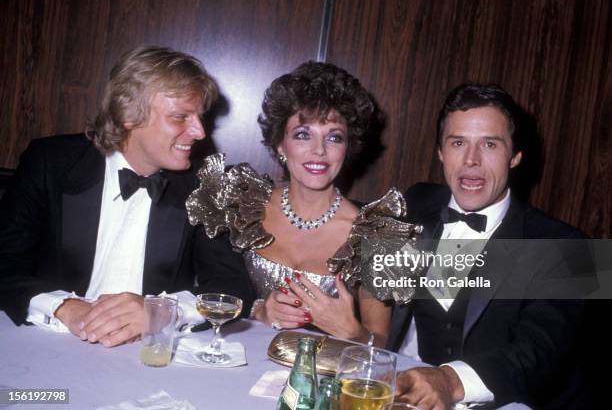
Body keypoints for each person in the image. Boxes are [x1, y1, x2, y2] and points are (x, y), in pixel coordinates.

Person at [0, 45, 254, 348]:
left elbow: (233, 287)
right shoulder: (51, 163)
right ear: (128, 116)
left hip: (149, 352)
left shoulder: (204, 184)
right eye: (180, 117)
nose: (200, 132)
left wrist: (159, 312)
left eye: (200, 116)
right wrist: (61, 306)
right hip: (49, 340)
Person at [387, 83, 593, 408]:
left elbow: (539, 356)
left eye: (490, 144)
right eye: (458, 143)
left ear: (515, 156)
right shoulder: (414, 201)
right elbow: (376, 297)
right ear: (440, 151)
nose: (471, 160)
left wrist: (450, 381)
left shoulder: (571, 247)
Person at [187, 61, 420, 346]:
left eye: (334, 137)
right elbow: (214, 291)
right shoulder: (241, 207)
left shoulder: (377, 235)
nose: (319, 151)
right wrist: (258, 310)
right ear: (280, 145)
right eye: (302, 134)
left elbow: (382, 345)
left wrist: (352, 332)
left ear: (348, 148)